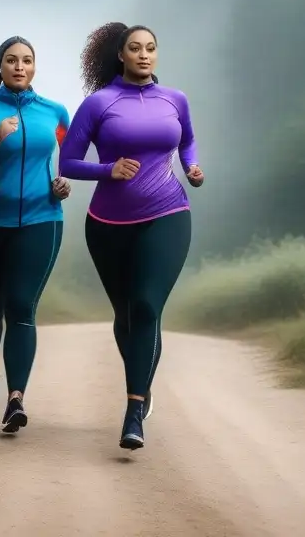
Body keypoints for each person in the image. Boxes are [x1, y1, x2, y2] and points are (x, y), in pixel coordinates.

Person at [58, 22, 203, 451]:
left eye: (151, 48)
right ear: (120, 55)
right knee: (124, 316)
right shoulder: (99, 103)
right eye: (135, 48)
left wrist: (192, 168)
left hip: (168, 212)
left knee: (145, 306)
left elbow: (188, 143)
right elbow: (68, 162)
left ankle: (133, 409)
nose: (144, 55)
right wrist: (108, 169)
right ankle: (142, 381)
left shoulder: (175, 99)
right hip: (107, 224)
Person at [0, 36, 72, 433]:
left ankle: (16, 399)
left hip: (41, 220)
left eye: (26, 60)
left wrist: (63, 183)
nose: (19, 66)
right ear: (0, 66)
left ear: (34, 67)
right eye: (11, 60)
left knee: (21, 307)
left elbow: (67, 160)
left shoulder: (54, 113)